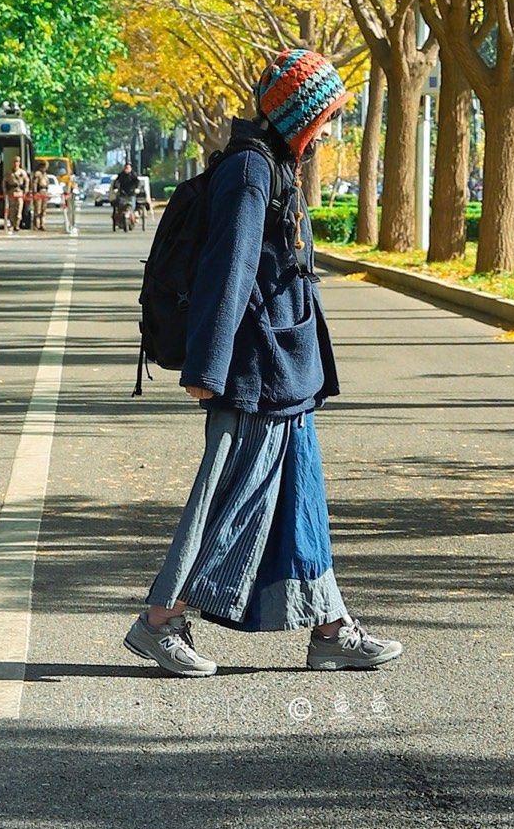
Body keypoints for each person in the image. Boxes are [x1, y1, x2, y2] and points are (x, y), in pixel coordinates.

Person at [123, 47, 403, 681]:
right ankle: (159, 622)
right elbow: (230, 271)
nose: (330, 129)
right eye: (326, 115)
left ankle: (330, 627)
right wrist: (209, 369)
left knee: (300, 502)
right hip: (254, 373)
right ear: (300, 114)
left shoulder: (273, 164)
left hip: (284, 372)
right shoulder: (251, 173)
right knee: (229, 500)